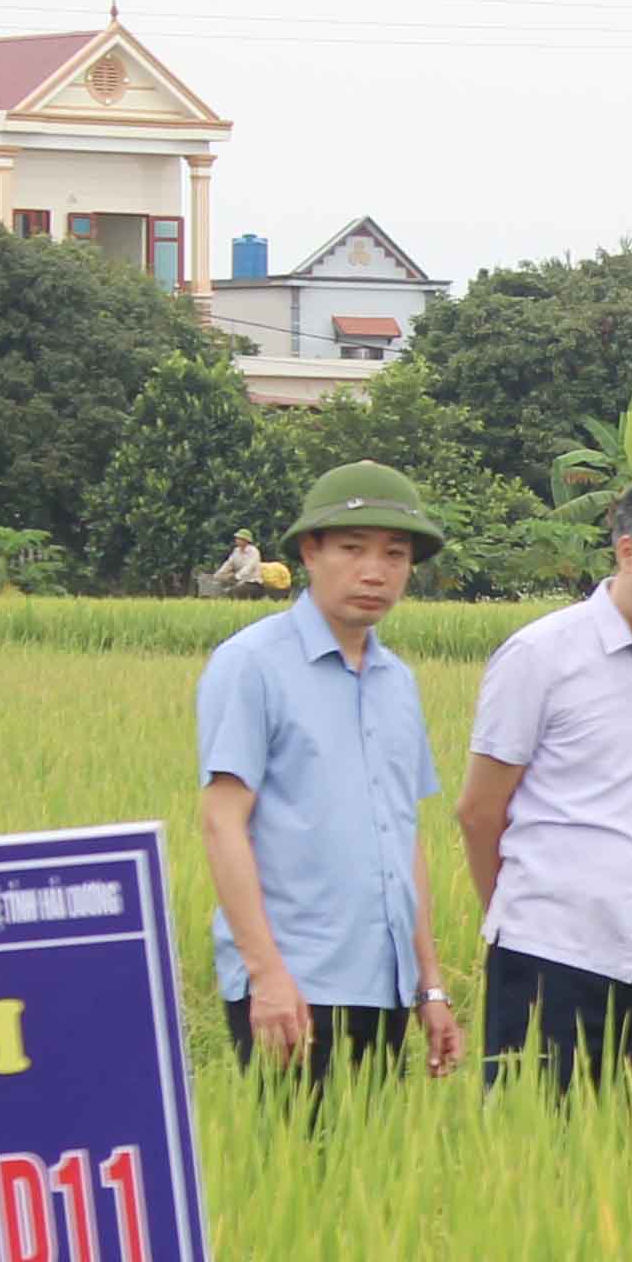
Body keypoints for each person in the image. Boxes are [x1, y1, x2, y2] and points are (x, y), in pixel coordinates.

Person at [459, 466, 632, 1090]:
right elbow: (479, 811)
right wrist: (521, 920)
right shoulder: (541, 655)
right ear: (629, 553)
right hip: (546, 952)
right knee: (531, 1155)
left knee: (631, 1160)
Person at [195, 462, 461, 1083]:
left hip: (385, 983)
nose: (375, 571)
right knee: (293, 1167)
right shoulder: (252, 665)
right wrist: (266, 977)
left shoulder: (399, 682)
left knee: (368, 1173)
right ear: (310, 553)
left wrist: (430, 987)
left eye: (395, 555)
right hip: (293, 983)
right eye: (352, 549)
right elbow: (221, 822)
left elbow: (403, 837)